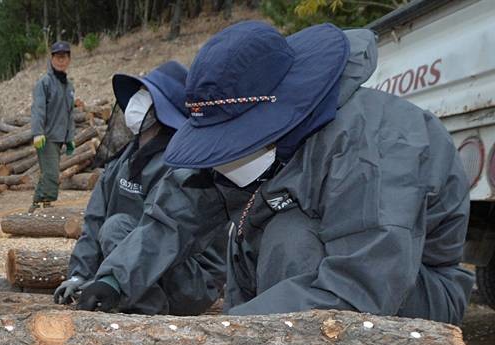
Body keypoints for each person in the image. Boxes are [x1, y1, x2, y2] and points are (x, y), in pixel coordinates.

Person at [144, 22, 471, 323]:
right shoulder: (287, 135)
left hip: (407, 293)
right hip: (341, 281)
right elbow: (181, 210)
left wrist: (231, 333)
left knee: (290, 235)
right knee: (251, 225)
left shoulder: (371, 146)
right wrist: (114, 279)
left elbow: (364, 282)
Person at [54, 62, 225, 315]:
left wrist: (111, 282)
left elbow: (161, 232)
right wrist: (80, 276)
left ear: (163, 108)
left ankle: (146, 313)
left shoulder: (181, 165)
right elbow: (94, 220)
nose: (135, 102)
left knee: (117, 227)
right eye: (137, 94)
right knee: (113, 226)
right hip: (137, 269)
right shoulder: (125, 158)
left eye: (146, 96)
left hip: (189, 281)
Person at [30, 41, 76, 210]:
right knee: (51, 173)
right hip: (46, 136)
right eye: (57, 57)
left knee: (50, 172)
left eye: (64, 57)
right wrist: (37, 132)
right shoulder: (45, 83)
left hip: (59, 137)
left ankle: (45, 205)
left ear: (69, 59)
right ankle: (37, 205)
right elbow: (38, 109)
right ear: (52, 59)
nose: (61, 61)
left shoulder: (69, 86)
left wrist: (70, 138)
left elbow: (70, 114)